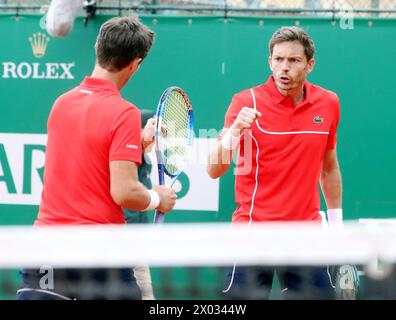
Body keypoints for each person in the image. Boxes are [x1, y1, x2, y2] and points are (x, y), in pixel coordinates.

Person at [17, 16, 176, 300]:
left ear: (97, 47)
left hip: (45, 248)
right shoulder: (124, 113)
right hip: (99, 253)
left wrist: (136, 143)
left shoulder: (61, 103)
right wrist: (157, 198)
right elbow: (124, 191)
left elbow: (90, 156)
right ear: (135, 63)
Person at [207, 26, 353, 299]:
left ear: (310, 65)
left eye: (294, 60)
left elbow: (329, 167)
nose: (284, 68)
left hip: (305, 236)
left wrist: (338, 228)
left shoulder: (329, 103)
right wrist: (235, 131)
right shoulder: (244, 101)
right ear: (270, 61)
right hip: (251, 234)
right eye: (278, 59)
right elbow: (214, 170)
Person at [124, 109, 156, 300]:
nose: (157, 136)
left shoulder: (146, 160)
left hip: (137, 248)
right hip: (120, 246)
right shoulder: (126, 158)